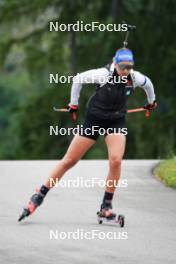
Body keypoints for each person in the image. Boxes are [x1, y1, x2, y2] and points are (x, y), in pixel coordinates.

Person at [18, 48, 157, 221]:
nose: (126, 71)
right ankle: (39, 195)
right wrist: (73, 104)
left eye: (129, 67)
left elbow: (148, 84)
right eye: (123, 67)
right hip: (94, 119)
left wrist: (151, 102)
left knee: (116, 160)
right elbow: (78, 79)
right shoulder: (103, 74)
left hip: (115, 121)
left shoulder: (134, 77)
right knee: (70, 160)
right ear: (115, 63)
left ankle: (106, 206)